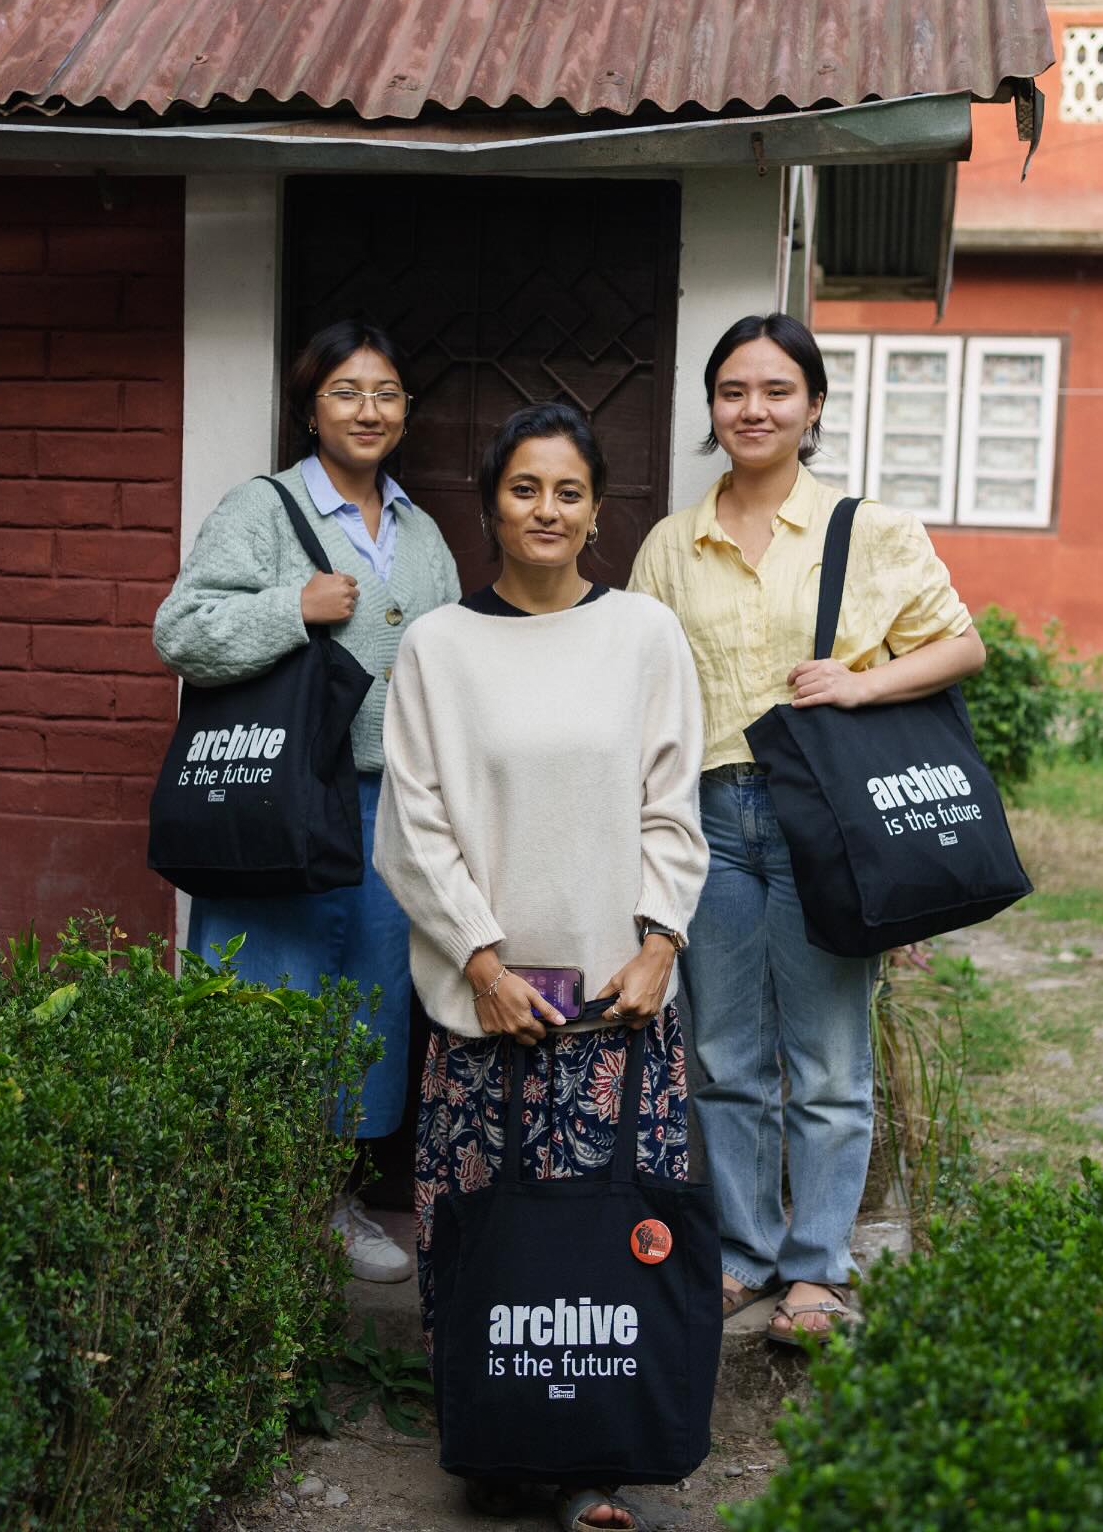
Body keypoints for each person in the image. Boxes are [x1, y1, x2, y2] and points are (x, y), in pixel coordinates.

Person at [373, 403, 708, 1532]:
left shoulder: (646, 637)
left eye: (568, 491)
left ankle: (596, 1464)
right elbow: (412, 825)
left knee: (605, 1240)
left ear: (598, 507)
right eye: (524, 489)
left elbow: (675, 809)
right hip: (490, 1006)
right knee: (492, 1237)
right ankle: (501, 1449)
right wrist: (476, 957)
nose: (547, 511)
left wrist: (661, 942)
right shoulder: (437, 647)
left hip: (618, 1007)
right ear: (490, 503)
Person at [629, 314, 985, 1345]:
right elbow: (642, 692)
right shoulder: (669, 546)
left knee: (828, 1060)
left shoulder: (865, 530)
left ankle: (817, 1268)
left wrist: (862, 684)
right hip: (707, 820)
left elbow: (962, 647)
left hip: (822, 820)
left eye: (778, 390)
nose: (754, 409)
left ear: (815, 406)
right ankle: (744, 1252)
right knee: (726, 1055)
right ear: (712, 408)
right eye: (734, 390)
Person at [152, 319, 460, 1283]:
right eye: (346, 391)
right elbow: (182, 630)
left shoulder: (424, 532)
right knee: (266, 998)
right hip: (283, 798)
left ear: (407, 412)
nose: (368, 409)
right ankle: (244, 1208)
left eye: (386, 392)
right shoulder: (262, 508)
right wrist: (293, 608)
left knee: (366, 1006)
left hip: (386, 809)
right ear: (311, 405)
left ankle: (326, 1202)